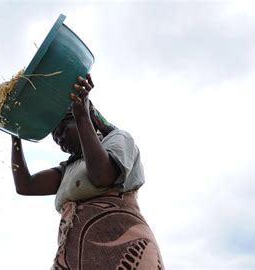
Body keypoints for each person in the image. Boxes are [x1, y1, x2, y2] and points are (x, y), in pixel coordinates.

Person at [10, 73, 164, 270]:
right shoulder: (69, 168)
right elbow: (25, 185)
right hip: (78, 256)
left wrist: (82, 114)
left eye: (63, 130)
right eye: (55, 140)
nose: (60, 141)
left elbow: (101, 177)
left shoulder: (118, 139)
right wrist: (16, 136)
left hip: (122, 250)